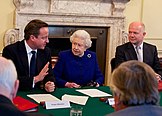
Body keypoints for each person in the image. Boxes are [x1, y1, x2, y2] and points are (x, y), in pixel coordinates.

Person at [2, 19, 55, 92]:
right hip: (17, 93)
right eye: (43, 38)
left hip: (38, 94)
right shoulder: (11, 51)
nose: (47, 41)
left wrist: (49, 83)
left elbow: (49, 74)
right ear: (32, 38)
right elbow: (10, 79)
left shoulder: (46, 51)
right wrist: (35, 79)